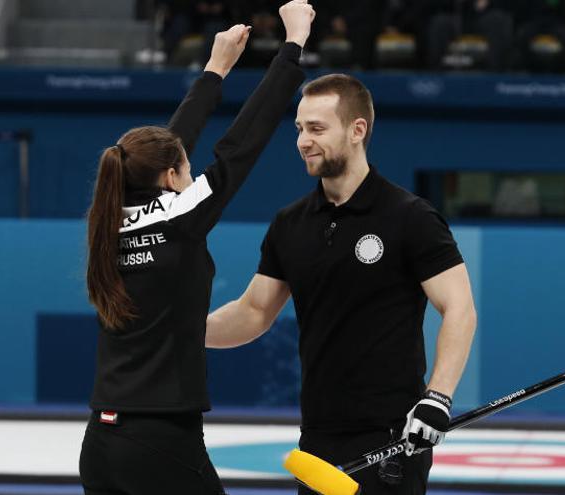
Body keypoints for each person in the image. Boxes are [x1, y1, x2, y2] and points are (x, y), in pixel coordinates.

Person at [78, 2, 314, 494]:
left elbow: (167, 148)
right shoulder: (181, 217)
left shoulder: (110, 217)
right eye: (184, 172)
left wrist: (216, 69)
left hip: (101, 441)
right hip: (161, 439)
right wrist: (292, 46)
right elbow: (241, 145)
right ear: (169, 180)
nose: (191, 177)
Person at [206, 74, 478, 494]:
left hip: (392, 439)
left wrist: (437, 397)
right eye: (299, 128)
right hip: (317, 438)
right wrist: (179, 332)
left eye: (316, 129)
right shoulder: (289, 223)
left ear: (357, 130)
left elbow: (459, 308)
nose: (302, 141)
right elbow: (254, 312)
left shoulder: (410, 217)